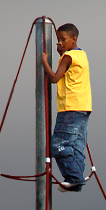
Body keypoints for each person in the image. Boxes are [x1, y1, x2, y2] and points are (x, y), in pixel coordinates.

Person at [40, 23, 92, 192]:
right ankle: (76, 182)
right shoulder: (81, 55)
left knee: (60, 145)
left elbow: (54, 78)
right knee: (76, 145)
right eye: (58, 40)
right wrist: (62, 54)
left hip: (69, 108)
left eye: (63, 40)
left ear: (74, 39)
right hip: (83, 107)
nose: (60, 43)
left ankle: (74, 178)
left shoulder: (68, 58)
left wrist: (44, 62)